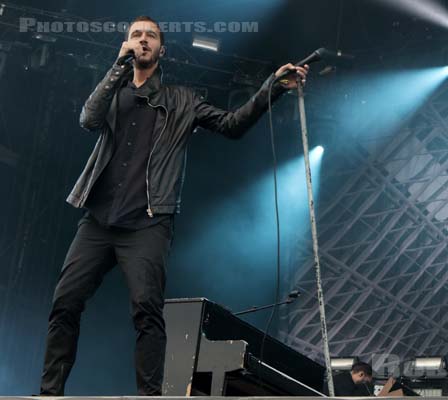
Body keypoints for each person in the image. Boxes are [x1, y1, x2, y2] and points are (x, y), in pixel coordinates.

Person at [39, 15, 309, 396]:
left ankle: (150, 396)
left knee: (147, 312)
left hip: (148, 223)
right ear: (128, 45)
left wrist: (272, 88)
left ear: (161, 50)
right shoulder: (113, 94)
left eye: (150, 36)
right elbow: (88, 118)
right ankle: (49, 393)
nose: (142, 40)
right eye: (135, 35)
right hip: (98, 219)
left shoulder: (183, 100)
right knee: (64, 303)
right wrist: (117, 65)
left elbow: (233, 124)